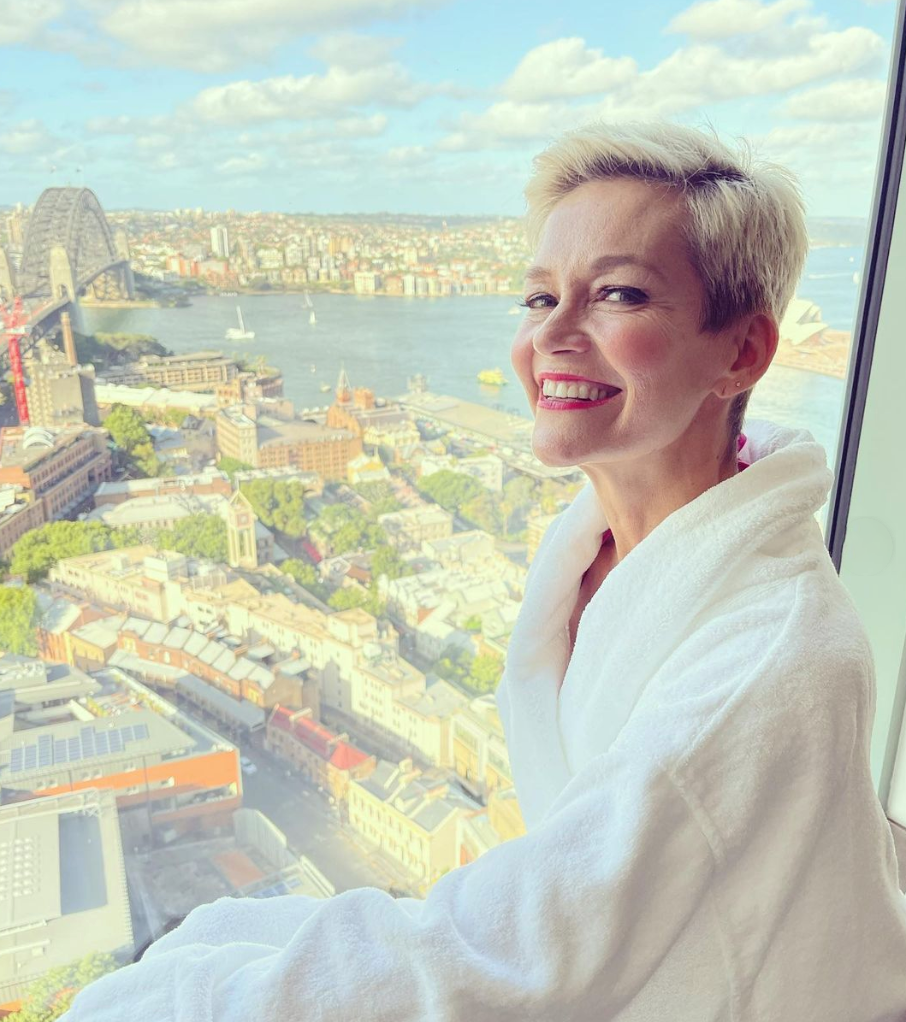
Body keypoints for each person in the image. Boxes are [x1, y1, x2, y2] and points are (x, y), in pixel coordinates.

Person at [60, 122, 906, 1021]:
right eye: (539, 298)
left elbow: (510, 951)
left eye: (617, 294)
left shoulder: (771, 658)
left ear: (741, 352)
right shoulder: (598, 544)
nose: (553, 336)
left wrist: (177, 995)